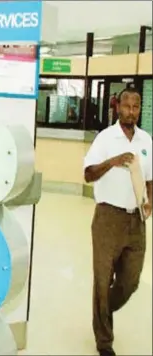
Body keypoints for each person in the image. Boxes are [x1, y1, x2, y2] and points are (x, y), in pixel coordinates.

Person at [83, 87, 152, 356]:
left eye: (136, 106)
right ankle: (104, 341)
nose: (131, 111)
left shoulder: (146, 140)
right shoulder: (105, 138)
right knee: (102, 280)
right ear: (117, 107)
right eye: (127, 106)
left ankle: (101, 309)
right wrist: (113, 161)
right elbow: (89, 174)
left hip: (136, 220)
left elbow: (150, 179)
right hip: (107, 218)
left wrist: (149, 203)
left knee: (130, 282)